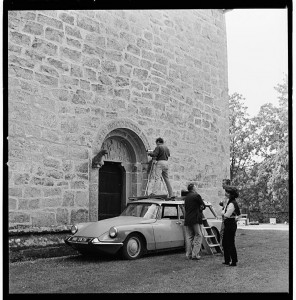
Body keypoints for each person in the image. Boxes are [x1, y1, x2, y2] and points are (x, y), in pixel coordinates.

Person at [184, 183, 206, 260]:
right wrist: (200, 208)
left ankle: (188, 254)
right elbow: (203, 205)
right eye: (195, 186)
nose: (196, 188)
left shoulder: (186, 197)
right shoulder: (196, 196)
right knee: (199, 235)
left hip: (187, 219)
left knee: (189, 237)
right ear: (193, 188)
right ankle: (195, 254)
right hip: (195, 219)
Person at [221, 185, 241, 266]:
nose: (225, 193)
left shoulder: (232, 203)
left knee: (230, 242)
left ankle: (234, 261)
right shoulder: (230, 202)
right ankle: (227, 259)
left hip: (230, 223)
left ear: (230, 194)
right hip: (229, 223)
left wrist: (222, 212)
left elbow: (226, 214)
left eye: (227, 192)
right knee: (225, 242)